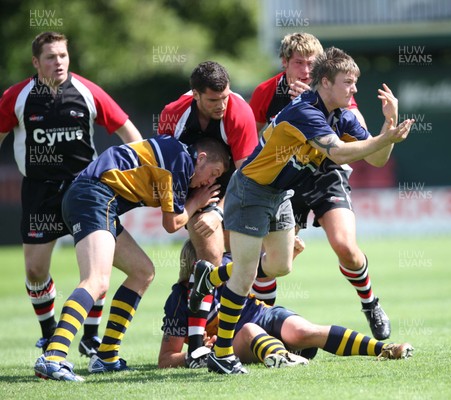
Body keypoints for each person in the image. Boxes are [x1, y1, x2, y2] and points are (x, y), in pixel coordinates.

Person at [208, 46, 414, 374]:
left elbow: (376, 159)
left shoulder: (342, 115)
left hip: (279, 194)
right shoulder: (304, 111)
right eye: (348, 82)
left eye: (356, 82)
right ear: (326, 83)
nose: (355, 89)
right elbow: (339, 154)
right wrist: (384, 136)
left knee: (280, 266)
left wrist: (388, 125)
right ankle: (221, 353)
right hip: (251, 190)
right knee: (246, 273)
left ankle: (211, 276)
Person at [33, 135, 230, 381]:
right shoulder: (182, 162)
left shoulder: (177, 155)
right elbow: (172, 224)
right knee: (96, 281)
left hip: (93, 198)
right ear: (200, 158)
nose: (210, 181)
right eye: (214, 172)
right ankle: (53, 356)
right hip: (94, 196)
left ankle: (106, 357)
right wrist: (197, 202)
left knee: (142, 271)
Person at [0, 31, 143, 357]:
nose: (58, 62)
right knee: (35, 270)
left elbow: (127, 130)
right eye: (50, 57)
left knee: (97, 267)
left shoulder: (86, 90)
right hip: (39, 192)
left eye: (63, 56)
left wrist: (140, 166)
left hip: (84, 190)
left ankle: (90, 337)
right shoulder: (17, 96)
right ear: (36, 62)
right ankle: (50, 333)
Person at [249, 33, 392, 340]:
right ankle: (260, 323)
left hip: (327, 169)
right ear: (285, 63)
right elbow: (254, 138)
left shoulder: (332, 91)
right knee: (275, 261)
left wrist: (386, 129)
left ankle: (370, 304)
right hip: (286, 177)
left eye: (312, 63)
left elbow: (358, 133)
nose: (306, 69)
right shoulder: (265, 92)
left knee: (346, 248)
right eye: (299, 62)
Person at [158, 241, 413, 369]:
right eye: (212, 260)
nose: (222, 260)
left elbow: (265, 271)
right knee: (248, 331)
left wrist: (290, 255)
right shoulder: (178, 300)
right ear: (194, 266)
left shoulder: (227, 266)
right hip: (237, 340)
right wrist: (200, 352)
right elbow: (166, 359)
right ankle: (282, 357)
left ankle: (384, 348)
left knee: (304, 331)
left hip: (264, 315)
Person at [158, 61, 258, 268]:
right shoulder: (172, 115)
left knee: (240, 258)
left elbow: (246, 175)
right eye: (213, 100)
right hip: (192, 184)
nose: (221, 105)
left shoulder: (240, 113)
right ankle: (196, 291)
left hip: (233, 181)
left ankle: (226, 297)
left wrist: (218, 212)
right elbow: (166, 171)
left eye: (225, 97)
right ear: (196, 94)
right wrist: (193, 204)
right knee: (211, 256)